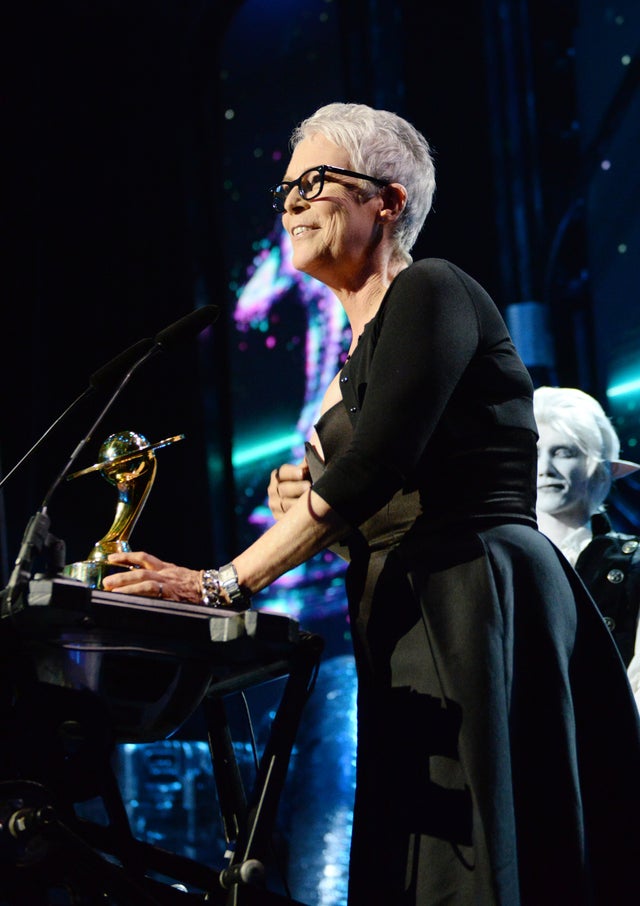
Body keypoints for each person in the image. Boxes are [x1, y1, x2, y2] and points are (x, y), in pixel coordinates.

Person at [103, 102, 640, 905]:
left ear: (387, 201)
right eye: (284, 187)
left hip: (473, 597)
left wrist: (218, 584)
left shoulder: (431, 288)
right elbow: (355, 492)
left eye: (315, 182)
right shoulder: (351, 364)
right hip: (400, 607)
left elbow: (377, 467)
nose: (290, 203)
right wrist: (310, 498)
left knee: (487, 857)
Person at [533, 385, 640, 667]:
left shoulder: (634, 562)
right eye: (534, 453)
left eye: (563, 453)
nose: (545, 468)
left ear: (596, 465)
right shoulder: (501, 558)